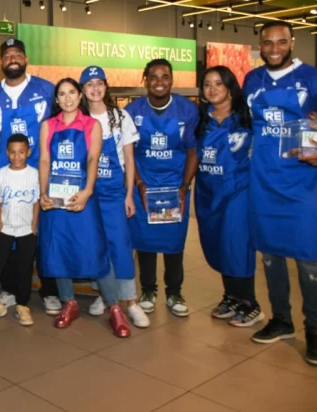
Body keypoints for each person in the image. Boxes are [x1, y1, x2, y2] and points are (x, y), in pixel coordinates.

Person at [244, 21, 317, 365]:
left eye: (280, 42)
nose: (274, 48)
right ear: (260, 44)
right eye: (267, 42)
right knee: (270, 254)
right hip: (263, 179)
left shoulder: (312, 77)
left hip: (303, 181)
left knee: (307, 257)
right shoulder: (252, 80)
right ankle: (281, 319)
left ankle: (315, 330)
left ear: (292, 42)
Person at [38, 78, 128, 336]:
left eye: (72, 93)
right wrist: (43, 192)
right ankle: (69, 302)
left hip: (82, 198)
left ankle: (115, 308)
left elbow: (92, 158)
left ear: (80, 97)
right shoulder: (48, 125)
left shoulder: (92, 125)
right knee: (59, 249)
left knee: (96, 248)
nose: (67, 98)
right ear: (57, 100)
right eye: (62, 94)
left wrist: (87, 191)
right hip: (55, 197)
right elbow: (44, 159)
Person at [0, 38, 60, 314]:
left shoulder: (47, 90)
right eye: (7, 55)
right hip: (6, 175)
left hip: (40, 173)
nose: (12, 58)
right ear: (1, 62)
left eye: (17, 54)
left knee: (42, 232)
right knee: (10, 232)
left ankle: (50, 290)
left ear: (26, 60)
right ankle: (12, 288)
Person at [125, 59, 199, 318]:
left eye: (164, 76)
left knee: (173, 241)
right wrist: (138, 183)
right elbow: (129, 152)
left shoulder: (187, 110)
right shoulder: (132, 111)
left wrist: (184, 185)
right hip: (144, 183)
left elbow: (192, 150)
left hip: (174, 185)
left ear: (172, 80)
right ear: (145, 79)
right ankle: (148, 289)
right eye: (153, 77)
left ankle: (174, 292)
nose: (159, 82)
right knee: (145, 240)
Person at [80, 66, 149, 329]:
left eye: (99, 83)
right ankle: (108, 297)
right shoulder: (80, 120)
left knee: (120, 244)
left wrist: (129, 194)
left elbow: (130, 159)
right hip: (89, 191)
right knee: (96, 245)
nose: (95, 89)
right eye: (89, 84)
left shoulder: (121, 118)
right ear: (83, 90)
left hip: (114, 191)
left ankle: (130, 301)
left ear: (106, 87)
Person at [196, 66, 262, 327]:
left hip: (238, 189)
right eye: (207, 84)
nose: (212, 89)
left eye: (218, 84)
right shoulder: (202, 118)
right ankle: (231, 297)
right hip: (208, 191)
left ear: (230, 87)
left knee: (236, 243)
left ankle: (250, 303)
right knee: (217, 243)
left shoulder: (247, 117)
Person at [0, 134, 39, 327]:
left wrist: (33, 227)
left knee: (25, 267)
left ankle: (22, 304)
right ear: (7, 153)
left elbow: (36, 202)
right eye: (13, 153)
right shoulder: (1, 174)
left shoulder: (34, 174)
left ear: (28, 152)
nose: (17, 157)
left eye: (21, 152)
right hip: (6, 228)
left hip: (26, 229)